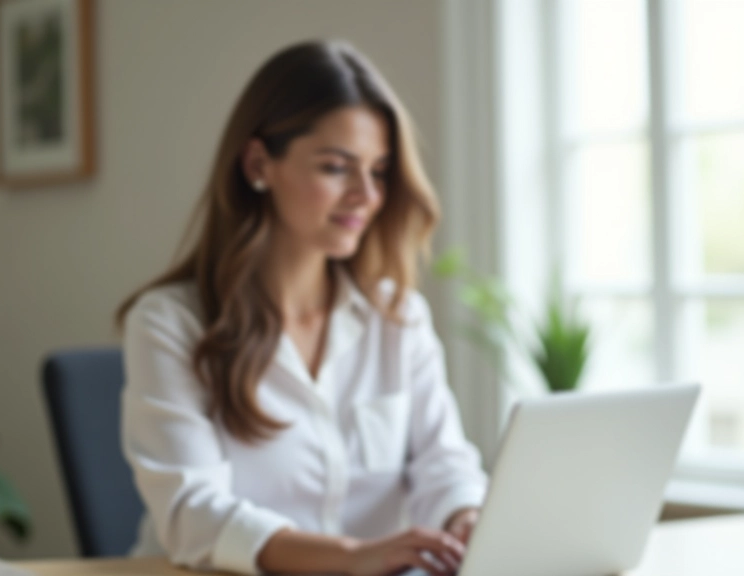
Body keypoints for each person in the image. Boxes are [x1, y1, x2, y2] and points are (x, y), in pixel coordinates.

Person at [116, 39, 488, 576]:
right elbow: (191, 514)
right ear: (258, 164)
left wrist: (465, 515)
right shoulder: (168, 324)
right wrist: (354, 557)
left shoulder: (396, 317)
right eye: (337, 168)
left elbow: (444, 463)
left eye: (379, 171)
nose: (366, 194)